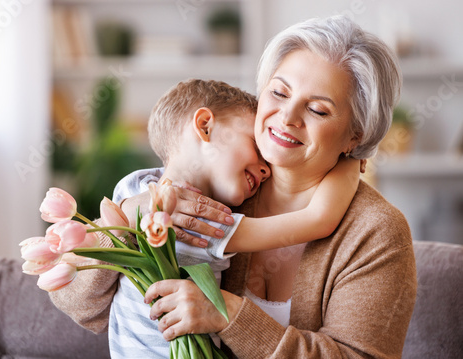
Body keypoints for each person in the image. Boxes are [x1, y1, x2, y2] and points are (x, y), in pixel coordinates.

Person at [50, 15, 417, 358]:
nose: (287, 117)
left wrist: (228, 314)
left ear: (356, 135)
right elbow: (80, 306)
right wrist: (127, 221)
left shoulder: (375, 232)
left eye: (318, 110)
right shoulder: (217, 189)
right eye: (278, 93)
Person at [100, 78, 360, 358]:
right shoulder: (206, 222)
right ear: (205, 126)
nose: (267, 170)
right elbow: (317, 219)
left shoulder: (131, 189)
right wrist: (350, 158)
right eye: (257, 149)